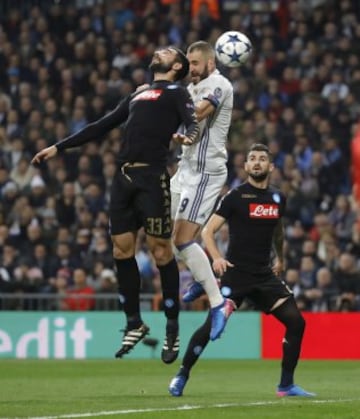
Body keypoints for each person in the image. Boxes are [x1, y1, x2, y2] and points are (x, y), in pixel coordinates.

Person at [32, 46, 200, 364]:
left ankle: (172, 326)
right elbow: (102, 125)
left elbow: (192, 122)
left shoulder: (178, 92)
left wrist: (188, 136)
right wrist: (58, 147)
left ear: (177, 65)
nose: (157, 52)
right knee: (121, 250)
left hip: (152, 178)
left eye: (165, 52)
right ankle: (134, 323)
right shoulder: (138, 94)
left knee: (161, 251)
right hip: (122, 179)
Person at [169, 143, 315, 397]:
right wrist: (216, 258)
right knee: (209, 328)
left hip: (264, 275)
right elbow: (207, 231)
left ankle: (286, 385)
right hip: (236, 273)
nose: (256, 162)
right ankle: (182, 374)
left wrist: (279, 258)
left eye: (262, 159)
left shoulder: (278, 197)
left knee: (296, 322)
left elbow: (278, 230)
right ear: (246, 166)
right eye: (252, 159)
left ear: (271, 167)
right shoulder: (235, 197)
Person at [171, 41, 235, 340]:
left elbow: (201, 112)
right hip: (184, 170)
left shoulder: (219, 84)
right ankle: (202, 273)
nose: (190, 69)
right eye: (189, 63)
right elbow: (191, 127)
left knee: (182, 239)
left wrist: (165, 118)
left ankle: (218, 303)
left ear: (210, 62)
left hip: (205, 173)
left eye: (195, 63)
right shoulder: (188, 88)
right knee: (162, 235)